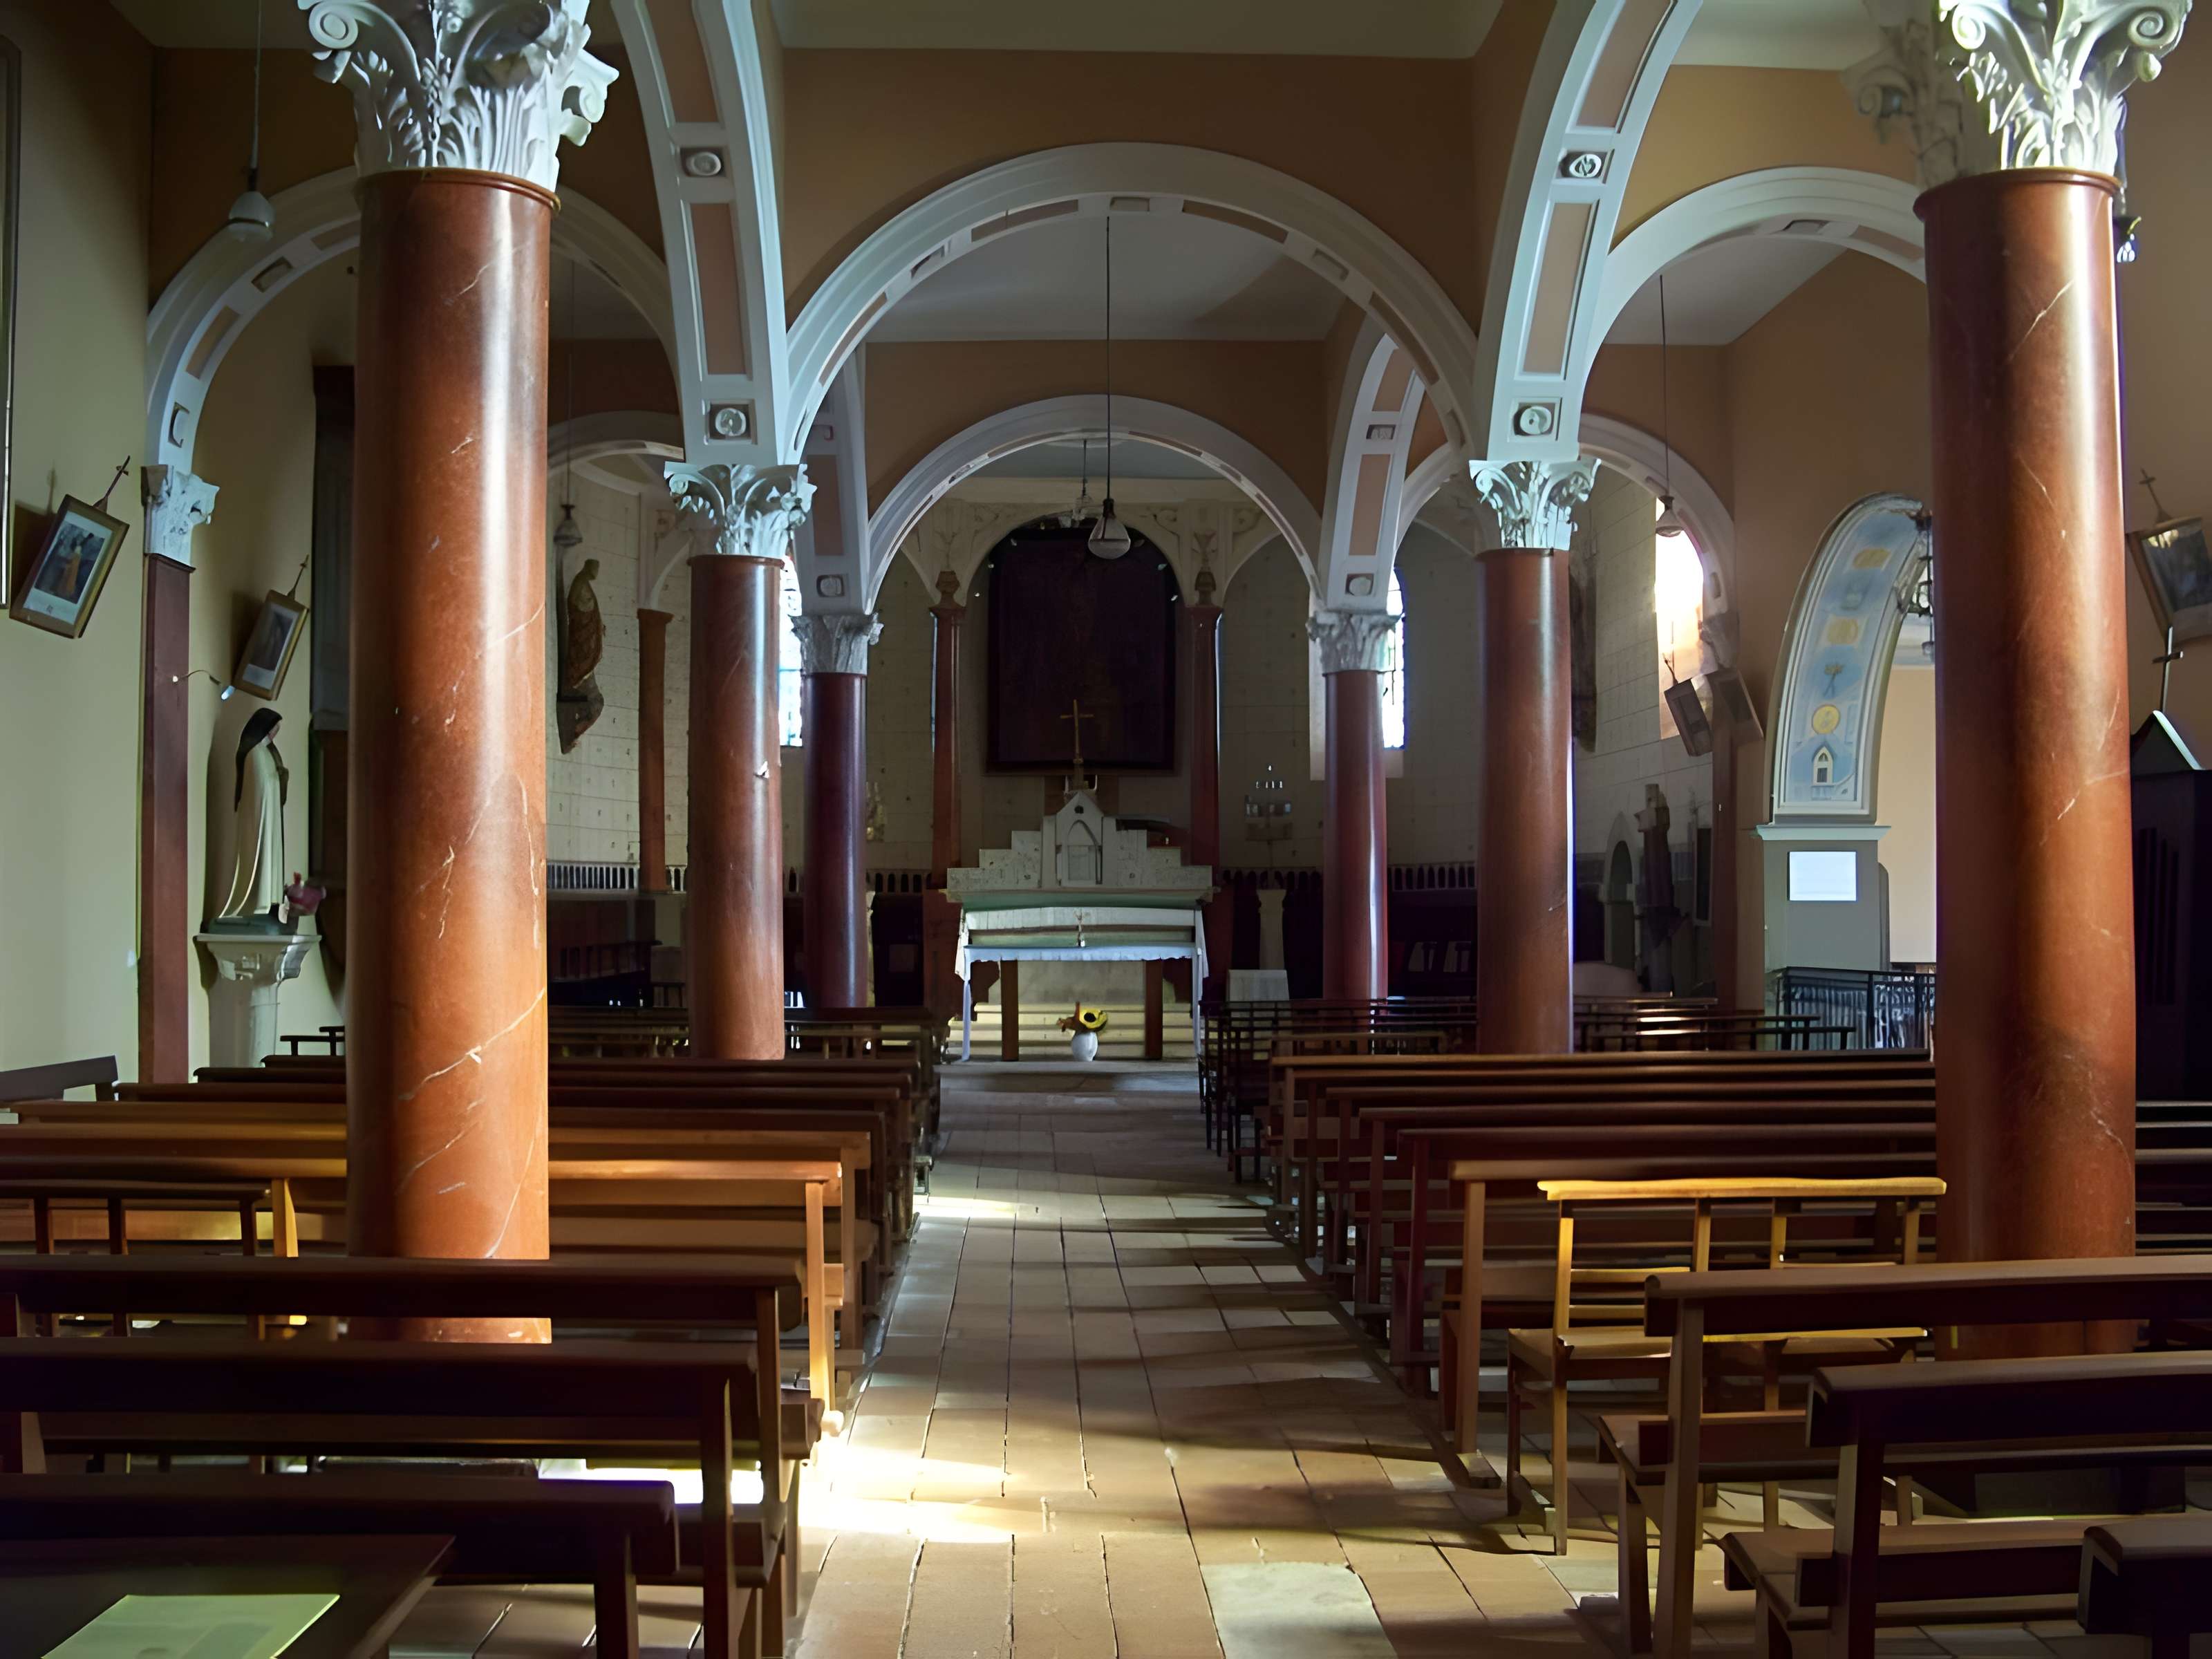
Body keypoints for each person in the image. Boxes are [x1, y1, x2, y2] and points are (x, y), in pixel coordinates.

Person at [214, 709, 289, 926]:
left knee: (269, 859)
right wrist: (275, 782)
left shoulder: (267, 753)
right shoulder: (255, 754)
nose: (275, 734)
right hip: (259, 819)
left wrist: (281, 779)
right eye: (274, 729)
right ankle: (256, 903)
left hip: (269, 818)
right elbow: (260, 787)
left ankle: (267, 901)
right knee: (257, 858)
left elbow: (271, 784)